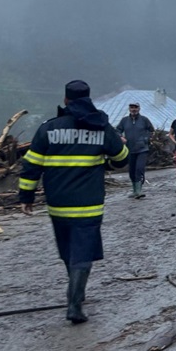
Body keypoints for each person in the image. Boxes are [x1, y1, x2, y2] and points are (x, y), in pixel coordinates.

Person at [19, 80, 128, 324]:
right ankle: (75, 304)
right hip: (89, 205)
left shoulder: (49, 128)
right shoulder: (101, 127)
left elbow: (31, 165)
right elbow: (122, 159)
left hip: (57, 205)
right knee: (83, 252)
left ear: (66, 100)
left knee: (68, 251)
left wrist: (26, 196)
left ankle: (75, 293)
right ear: (89, 99)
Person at [116, 101, 155, 199]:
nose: (133, 109)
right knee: (131, 171)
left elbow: (151, 130)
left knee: (139, 169)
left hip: (142, 149)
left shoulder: (144, 120)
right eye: (132, 107)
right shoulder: (124, 120)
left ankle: (139, 190)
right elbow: (117, 130)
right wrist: (121, 137)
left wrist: (145, 139)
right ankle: (134, 190)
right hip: (129, 149)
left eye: (135, 107)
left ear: (139, 109)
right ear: (129, 109)